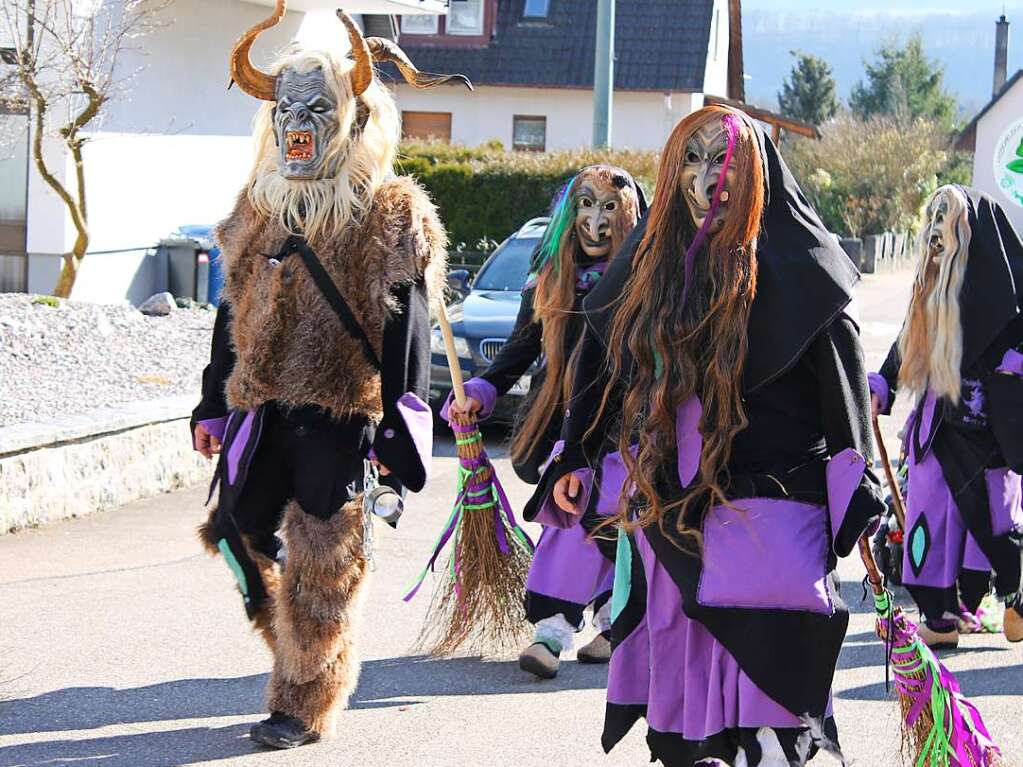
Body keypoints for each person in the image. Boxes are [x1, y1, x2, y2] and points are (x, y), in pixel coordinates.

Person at [525, 105, 886, 766]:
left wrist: (858, 499)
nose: (700, 182)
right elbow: (601, 363)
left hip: (771, 522)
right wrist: (576, 453)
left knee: (770, 704)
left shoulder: (808, 277)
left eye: (718, 161)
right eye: (687, 162)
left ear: (750, 172)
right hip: (673, 520)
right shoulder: (647, 273)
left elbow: (844, 408)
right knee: (688, 705)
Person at [190, 4, 466, 748]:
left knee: (324, 552)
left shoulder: (387, 211)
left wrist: (397, 422)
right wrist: (209, 403)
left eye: (315, 107)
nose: (297, 123)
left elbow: (407, 331)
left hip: (341, 412)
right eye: (286, 108)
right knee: (236, 529)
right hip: (262, 408)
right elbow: (230, 312)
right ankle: (307, 646)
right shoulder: (259, 207)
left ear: (350, 118)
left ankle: (302, 702)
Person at [445, 166, 646, 678]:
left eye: (608, 208)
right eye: (585, 205)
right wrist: (485, 388)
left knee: (594, 514)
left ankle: (556, 630)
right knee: (578, 511)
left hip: (628, 423)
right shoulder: (551, 274)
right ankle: (605, 619)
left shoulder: (646, 278)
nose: (595, 220)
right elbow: (521, 345)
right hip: (562, 419)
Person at [869, 184, 1023, 649]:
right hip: (937, 429)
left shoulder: (1010, 291)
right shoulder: (932, 288)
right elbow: (905, 343)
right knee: (931, 521)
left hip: (992, 431)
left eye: (947, 219)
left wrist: (1014, 364)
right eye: (932, 217)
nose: (937, 231)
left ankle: (1013, 597)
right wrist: (882, 383)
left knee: (997, 526)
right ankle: (939, 614)